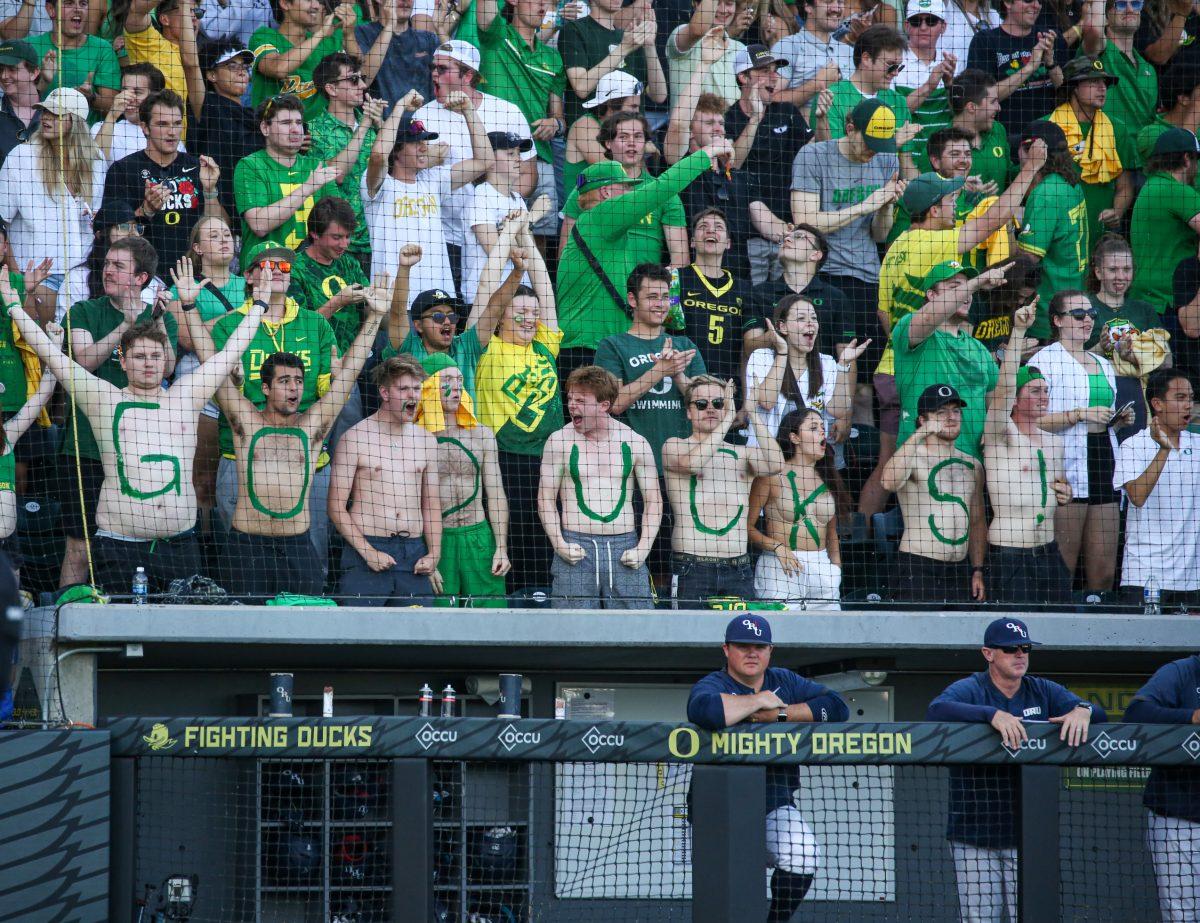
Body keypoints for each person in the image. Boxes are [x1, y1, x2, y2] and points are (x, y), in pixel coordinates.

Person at [12, 268, 265, 595]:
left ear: (165, 361)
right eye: (140, 356)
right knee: (119, 638)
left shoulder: (187, 394)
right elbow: (51, 356)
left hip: (179, 547)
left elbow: (232, 350)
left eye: (155, 356)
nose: (148, 363)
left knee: (179, 639)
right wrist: (13, 306)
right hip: (119, 548)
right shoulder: (103, 397)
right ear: (123, 360)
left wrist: (259, 304)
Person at [180, 261, 389, 600]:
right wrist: (189, 306)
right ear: (264, 388)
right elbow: (210, 361)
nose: (294, 389)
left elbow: (349, 373)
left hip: (297, 548)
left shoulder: (312, 429)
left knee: (304, 636)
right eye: (284, 381)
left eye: (298, 381)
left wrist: (375, 317)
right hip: (247, 550)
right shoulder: (245, 424)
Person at [928, 617, 1105, 923]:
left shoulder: (1042, 690)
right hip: (974, 834)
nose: (1021, 654)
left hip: (1028, 835)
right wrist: (991, 714)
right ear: (989, 654)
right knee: (978, 919)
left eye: (1025, 648)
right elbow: (936, 710)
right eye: (1010, 649)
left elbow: (1098, 712)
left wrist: (1083, 710)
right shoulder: (971, 688)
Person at [687, 613, 850, 922]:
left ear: (770, 651)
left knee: (803, 853)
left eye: (760, 647)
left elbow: (838, 707)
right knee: (723, 890)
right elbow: (704, 710)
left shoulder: (784, 681)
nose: (752, 653)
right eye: (743, 646)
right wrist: (757, 701)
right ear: (726, 650)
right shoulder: (714, 682)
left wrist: (780, 715)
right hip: (717, 806)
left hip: (773, 801)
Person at [55, 236, 178, 587]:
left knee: (128, 544)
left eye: (118, 266)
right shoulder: (84, 311)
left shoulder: (157, 314)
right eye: (107, 263)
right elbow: (85, 361)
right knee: (79, 546)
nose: (107, 270)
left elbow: (168, 369)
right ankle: (68, 623)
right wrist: (125, 325)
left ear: (140, 278)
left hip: (138, 452)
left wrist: (156, 321)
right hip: (85, 450)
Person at [204, 242, 339, 561]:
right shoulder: (228, 326)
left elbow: (326, 390)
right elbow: (218, 393)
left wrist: (336, 379)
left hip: (307, 463)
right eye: (268, 266)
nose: (278, 271)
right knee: (242, 561)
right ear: (249, 277)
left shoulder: (315, 323)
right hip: (241, 460)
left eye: (285, 267)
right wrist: (233, 382)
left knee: (311, 560)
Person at [556, 137, 734, 363]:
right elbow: (662, 188)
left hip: (599, 345)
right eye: (626, 187)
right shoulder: (602, 217)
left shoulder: (606, 232)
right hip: (587, 349)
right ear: (606, 193)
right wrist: (710, 151)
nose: (632, 193)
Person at [474, 217, 562, 592]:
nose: (529, 317)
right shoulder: (485, 347)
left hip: (548, 459)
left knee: (545, 532)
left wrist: (525, 231)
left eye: (532, 312)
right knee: (509, 534)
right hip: (504, 457)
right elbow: (484, 290)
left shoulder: (545, 346)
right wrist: (507, 239)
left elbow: (545, 288)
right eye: (519, 312)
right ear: (501, 318)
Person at [790, 99, 904, 378]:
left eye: (881, 144)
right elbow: (805, 222)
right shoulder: (813, 156)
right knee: (814, 371)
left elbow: (879, 234)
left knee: (862, 377)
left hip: (865, 278)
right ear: (850, 128)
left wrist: (886, 206)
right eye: (869, 142)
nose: (873, 151)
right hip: (819, 275)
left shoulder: (887, 158)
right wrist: (866, 205)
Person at [1031, 290, 1130, 596]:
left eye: (1090, 315)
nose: (1087, 320)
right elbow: (1030, 420)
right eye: (1078, 315)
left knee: (1103, 571)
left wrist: (1115, 421)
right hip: (1065, 467)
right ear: (1058, 320)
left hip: (1104, 459)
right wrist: (1078, 415)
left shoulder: (1103, 363)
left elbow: (1100, 414)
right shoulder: (1044, 361)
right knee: (1064, 565)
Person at [538, 365, 662, 608]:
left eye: (581, 400)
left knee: (636, 628)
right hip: (576, 549)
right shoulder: (558, 441)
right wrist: (559, 544)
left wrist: (643, 548)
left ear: (604, 405)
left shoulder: (635, 442)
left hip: (625, 549)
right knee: (572, 631)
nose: (572, 405)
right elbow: (545, 499)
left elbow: (654, 501)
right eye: (570, 399)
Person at [413, 40, 537, 270]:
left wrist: (496, 213)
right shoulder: (422, 117)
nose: (433, 74)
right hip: (444, 239)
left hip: (499, 236)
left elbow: (528, 176)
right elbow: (413, 176)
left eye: (442, 69)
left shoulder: (507, 111)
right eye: (433, 67)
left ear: (468, 75)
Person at [329, 353, 441, 605]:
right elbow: (335, 507)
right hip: (366, 547)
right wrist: (368, 553)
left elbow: (432, 505)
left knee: (416, 635)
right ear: (384, 392)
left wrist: (434, 553)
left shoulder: (427, 442)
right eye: (403, 389)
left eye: (416, 388)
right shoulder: (355, 438)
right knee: (361, 637)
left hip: (413, 553)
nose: (413, 395)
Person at [981, 301, 1073, 604]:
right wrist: (1019, 332)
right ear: (1016, 401)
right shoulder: (1000, 434)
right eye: (1035, 391)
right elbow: (1004, 387)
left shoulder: (1054, 443)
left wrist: (1065, 494)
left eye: (1046, 390)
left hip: (1048, 552)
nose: (1043, 397)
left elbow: (1053, 492)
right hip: (1010, 554)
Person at [663, 376, 783, 605]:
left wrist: (753, 414)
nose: (711, 409)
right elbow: (693, 464)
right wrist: (728, 418)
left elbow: (776, 464)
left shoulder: (743, 453)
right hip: (691, 565)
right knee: (689, 638)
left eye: (718, 404)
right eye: (701, 404)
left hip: (738, 566)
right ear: (688, 412)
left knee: (742, 638)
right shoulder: (674, 445)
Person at [363, 96, 492, 307]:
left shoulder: (433, 178)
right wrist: (400, 107)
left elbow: (484, 161)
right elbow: (377, 155)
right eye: (415, 143)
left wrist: (469, 111)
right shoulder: (380, 184)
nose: (424, 147)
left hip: (438, 299)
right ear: (396, 150)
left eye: (425, 141)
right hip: (393, 301)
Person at [0, 87, 103, 320]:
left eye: (56, 114)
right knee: (38, 348)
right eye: (44, 112)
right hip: (35, 274)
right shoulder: (22, 157)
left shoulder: (96, 160)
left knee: (68, 350)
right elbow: (1, 225)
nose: (46, 118)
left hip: (80, 276)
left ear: (75, 122)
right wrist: (20, 285)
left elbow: (92, 217)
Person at [415, 356, 510, 607]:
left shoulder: (482, 435)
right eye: (447, 380)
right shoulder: (415, 437)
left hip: (478, 537)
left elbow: (497, 494)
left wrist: (501, 547)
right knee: (439, 619)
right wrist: (427, 554)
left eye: (459, 380)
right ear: (430, 386)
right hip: (437, 539)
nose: (456, 386)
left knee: (491, 613)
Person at [881, 382, 985, 602]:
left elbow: (976, 520)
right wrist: (919, 435)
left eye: (955, 411)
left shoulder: (972, 465)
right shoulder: (912, 456)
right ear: (922, 420)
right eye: (941, 412)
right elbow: (888, 482)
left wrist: (977, 569)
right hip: (918, 567)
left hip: (960, 571)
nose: (951, 417)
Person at [102, 89, 226, 271]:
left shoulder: (199, 167)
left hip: (195, 271)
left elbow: (219, 228)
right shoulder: (123, 170)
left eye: (177, 123)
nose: (171, 132)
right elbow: (112, 235)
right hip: (144, 273)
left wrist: (209, 191)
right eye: (162, 124)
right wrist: (146, 210)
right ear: (145, 127)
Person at [475, 0, 566, 241]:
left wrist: (555, 124)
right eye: (537, 1)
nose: (542, 7)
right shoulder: (495, 36)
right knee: (492, 236)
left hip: (541, 158)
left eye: (547, 3)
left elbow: (558, 116)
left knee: (539, 239)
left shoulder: (554, 58)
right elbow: (485, 12)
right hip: (495, 155)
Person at [559, 108, 688, 274]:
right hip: (600, 288)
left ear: (646, 143)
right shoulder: (587, 189)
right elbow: (565, 253)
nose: (631, 142)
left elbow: (680, 259)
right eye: (623, 137)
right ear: (608, 143)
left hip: (646, 292)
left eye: (638, 136)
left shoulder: (664, 194)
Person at [726, 43, 812, 283]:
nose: (775, 77)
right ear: (743, 77)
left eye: (776, 70)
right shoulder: (729, 118)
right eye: (765, 71)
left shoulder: (786, 111)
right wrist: (755, 119)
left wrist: (823, 121)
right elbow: (733, 164)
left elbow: (812, 152)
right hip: (748, 236)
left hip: (790, 229)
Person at [1114, 368, 1200, 607]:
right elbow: (1137, 496)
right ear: (1157, 404)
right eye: (1180, 398)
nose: (1188, 405)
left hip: (1191, 580)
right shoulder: (1134, 446)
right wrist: (1164, 449)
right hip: (1144, 577)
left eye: (1191, 398)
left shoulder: (1198, 446)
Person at [1124, 654, 1200, 922]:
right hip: (1178, 820)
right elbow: (1137, 713)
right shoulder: (1182, 672)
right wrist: (1191, 716)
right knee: (1181, 916)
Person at [749, 408, 846, 608]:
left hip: (822, 568)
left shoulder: (829, 477)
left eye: (822, 427)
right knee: (781, 634)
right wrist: (776, 547)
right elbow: (746, 528)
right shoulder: (771, 475)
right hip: (780, 568)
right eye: (813, 427)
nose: (822, 432)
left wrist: (835, 570)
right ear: (794, 437)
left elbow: (832, 533)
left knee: (828, 637)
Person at [233, 93, 340, 269]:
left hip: (312, 274)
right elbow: (259, 224)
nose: (296, 130)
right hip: (265, 272)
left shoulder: (315, 165)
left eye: (299, 123)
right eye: (285, 123)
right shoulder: (249, 166)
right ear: (265, 128)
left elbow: (338, 222)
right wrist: (308, 187)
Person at [746, 294, 865, 452]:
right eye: (801, 318)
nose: (810, 323)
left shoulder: (827, 362)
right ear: (782, 327)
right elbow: (767, 402)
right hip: (765, 456)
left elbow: (838, 410)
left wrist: (843, 365)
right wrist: (782, 353)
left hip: (808, 459)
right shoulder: (761, 357)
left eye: (814, 318)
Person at [307, 52, 385, 267]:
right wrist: (366, 124)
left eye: (361, 78)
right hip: (341, 245)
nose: (362, 85)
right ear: (331, 89)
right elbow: (336, 175)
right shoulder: (313, 130)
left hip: (381, 238)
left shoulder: (373, 124)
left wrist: (382, 125)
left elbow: (395, 165)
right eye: (353, 79)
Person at [1047, 56, 1133, 249]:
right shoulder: (1048, 127)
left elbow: (1125, 186)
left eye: (1104, 82)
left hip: (1101, 234)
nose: (1103, 88)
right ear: (1074, 87)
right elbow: (1034, 181)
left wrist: (1117, 211)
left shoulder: (1118, 130)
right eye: (1093, 82)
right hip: (1058, 231)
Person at [1016, 120, 1088, 339]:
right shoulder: (1070, 182)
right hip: (1073, 297)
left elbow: (1029, 258)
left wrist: (1007, 232)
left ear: (1031, 150)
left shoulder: (1045, 193)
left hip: (1048, 308)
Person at [248, 0, 369, 119]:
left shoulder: (325, 43)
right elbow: (278, 69)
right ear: (285, 3)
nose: (316, 5)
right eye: (308, 0)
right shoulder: (264, 36)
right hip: (273, 131)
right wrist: (320, 33)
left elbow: (358, 67)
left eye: (318, 1)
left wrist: (349, 34)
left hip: (320, 134)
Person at [287, 195, 370, 362]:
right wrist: (338, 301)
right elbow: (299, 328)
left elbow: (367, 311)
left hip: (352, 360)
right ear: (315, 233)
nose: (344, 244)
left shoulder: (349, 263)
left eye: (348, 236)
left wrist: (381, 301)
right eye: (337, 237)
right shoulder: (294, 270)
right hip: (314, 360)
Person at [965, 0, 1065, 137]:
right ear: (1008, 3)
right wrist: (1030, 67)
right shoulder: (985, 40)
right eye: (1028, 0)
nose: (1036, 5)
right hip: (1004, 137)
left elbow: (1067, 93)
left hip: (1049, 135)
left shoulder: (1050, 37)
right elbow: (980, 97)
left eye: (1040, 1)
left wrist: (1050, 63)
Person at [558, 0, 665, 128]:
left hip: (632, 137)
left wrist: (649, 45)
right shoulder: (574, 30)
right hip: (591, 136)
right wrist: (623, 48)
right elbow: (581, 87)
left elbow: (659, 95)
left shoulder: (629, 37)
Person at [1130, 127, 1200, 313]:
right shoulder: (1177, 191)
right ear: (1186, 159)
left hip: (1145, 297)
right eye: (1196, 160)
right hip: (1169, 300)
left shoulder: (1151, 186)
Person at [188, 42, 259, 218]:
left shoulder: (256, 117)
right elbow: (190, 63)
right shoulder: (208, 106)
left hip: (254, 204)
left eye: (245, 67)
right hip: (216, 206)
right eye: (232, 66)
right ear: (212, 75)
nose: (242, 72)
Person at [461, 131, 531, 308]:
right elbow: (495, 250)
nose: (518, 159)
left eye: (518, 154)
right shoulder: (481, 196)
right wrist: (516, 235)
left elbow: (528, 249)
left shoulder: (518, 198)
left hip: (519, 294)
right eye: (510, 154)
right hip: (485, 298)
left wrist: (507, 233)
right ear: (489, 159)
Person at [1079, 0, 1158, 144]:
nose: (1129, 9)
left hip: (1144, 161)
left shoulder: (1149, 70)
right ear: (1106, 15)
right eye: (1121, 4)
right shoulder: (1098, 54)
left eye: (1135, 4)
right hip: (1107, 157)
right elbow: (1094, 29)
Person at [27, 0, 119, 117]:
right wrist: (42, 82)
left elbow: (112, 109)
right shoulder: (29, 47)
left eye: (83, 4)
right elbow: (16, 102)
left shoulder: (103, 49)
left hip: (85, 134)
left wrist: (91, 97)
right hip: (38, 131)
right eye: (69, 3)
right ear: (51, 9)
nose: (78, 9)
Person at [562, 70, 644, 199]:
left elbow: (640, 175)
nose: (637, 112)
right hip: (582, 213)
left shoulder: (626, 130)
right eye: (633, 106)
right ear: (611, 105)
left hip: (618, 207)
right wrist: (641, 149)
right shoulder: (585, 125)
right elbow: (613, 171)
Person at [922, 69, 1010, 189]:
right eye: (993, 102)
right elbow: (925, 191)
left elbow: (1009, 175)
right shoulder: (938, 143)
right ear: (972, 107)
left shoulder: (998, 130)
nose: (998, 108)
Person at [121, 0, 203, 128]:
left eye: (197, 12)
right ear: (165, 19)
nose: (193, 18)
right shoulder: (151, 44)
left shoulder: (199, 58)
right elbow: (136, 10)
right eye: (187, 11)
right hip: (144, 137)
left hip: (179, 143)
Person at [770, 0, 855, 110]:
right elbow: (770, 99)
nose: (836, 8)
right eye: (828, 1)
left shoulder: (849, 52)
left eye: (840, 2)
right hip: (801, 126)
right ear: (808, 6)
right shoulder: (788, 46)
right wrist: (817, 84)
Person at [1086, 233, 1162, 352]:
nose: (1121, 277)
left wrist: (1140, 354)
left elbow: (1167, 361)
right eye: (1113, 269)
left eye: (1126, 269)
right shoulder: (1084, 308)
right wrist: (1100, 348)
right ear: (1098, 272)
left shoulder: (1145, 310)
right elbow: (1070, 362)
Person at [355, 0, 439, 105]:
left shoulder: (428, 39)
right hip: (379, 119)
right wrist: (390, 26)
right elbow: (363, 80)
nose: (405, 1)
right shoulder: (361, 33)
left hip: (422, 119)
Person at [666, 0, 746, 108]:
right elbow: (698, 30)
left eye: (729, 3)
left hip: (733, 124)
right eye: (716, 3)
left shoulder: (740, 48)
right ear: (696, 4)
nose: (723, 10)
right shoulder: (682, 35)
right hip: (687, 123)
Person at [92, 62, 170, 164]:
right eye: (124, 91)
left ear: (155, 97)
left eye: (137, 92)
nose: (127, 97)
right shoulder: (101, 128)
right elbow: (95, 166)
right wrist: (112, 116)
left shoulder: (169, 132)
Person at [0, 39, 41, 162]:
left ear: (34, 72)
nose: (4, 76)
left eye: (12, 69)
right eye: (0, 69)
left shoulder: (55, 112)